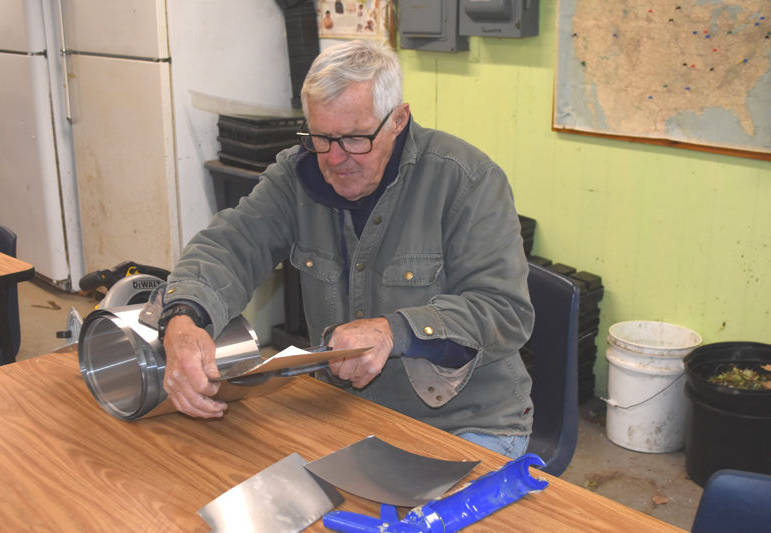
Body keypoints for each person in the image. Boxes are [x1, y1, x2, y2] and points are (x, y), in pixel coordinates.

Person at [158, 40, 535, 459]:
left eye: (356, 139)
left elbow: (504, 311)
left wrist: (394, 331)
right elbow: (231, 246)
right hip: (345, 409)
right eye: (321, 137)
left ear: (398, 119)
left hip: (464, 423)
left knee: (414, 524)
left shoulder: (467, 181)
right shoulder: (296, 175)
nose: (335, 159)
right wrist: (183, 317)